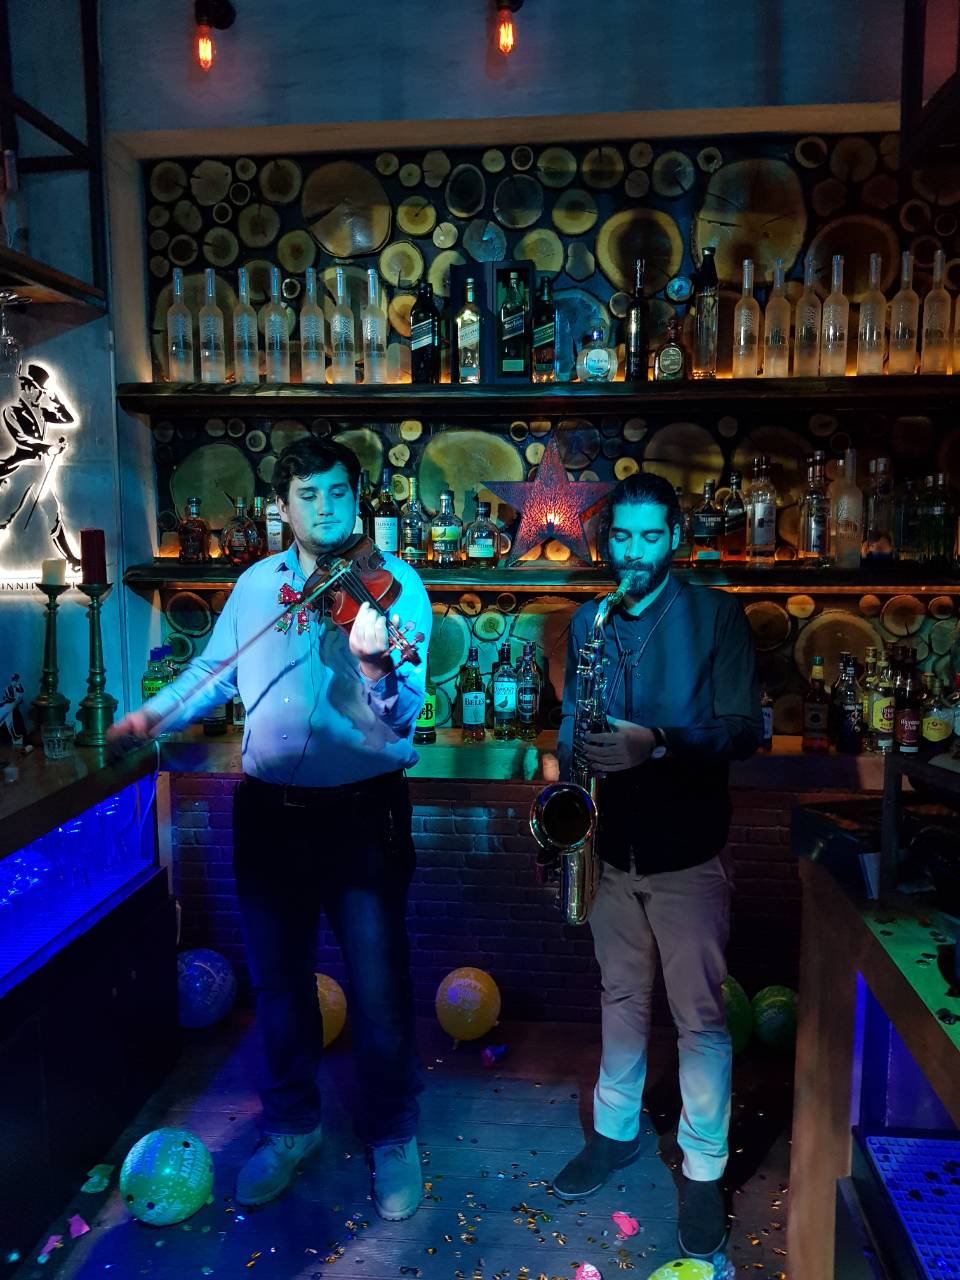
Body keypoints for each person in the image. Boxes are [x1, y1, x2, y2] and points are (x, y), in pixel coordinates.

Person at [107, 438, 432, 1221]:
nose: (326, 509)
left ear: (357, 497)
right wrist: (155, 716)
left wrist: (376, 666)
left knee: (379, 990)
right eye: (308, 496)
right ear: (282, 508)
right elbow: (212, 673)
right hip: (268, 816)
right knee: (280, 986)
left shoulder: (394, 587)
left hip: (363, 816)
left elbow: (406, 713)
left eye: (338, 493)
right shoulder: (257, 585)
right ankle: (292, 1126)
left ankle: (393, 1135)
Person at [549, 471, 761, 1260]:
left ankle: (704, 1171)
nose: (633, 553)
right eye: (622, 537)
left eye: (649, 537)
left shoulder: (717, 615)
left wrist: (659, 743)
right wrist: (569, 767)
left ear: (675, 539)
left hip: (687, 852)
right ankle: (616, 1133)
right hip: (608, 847)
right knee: (620, 995)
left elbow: (744, 730)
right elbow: (571, 721)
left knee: (700, 1017)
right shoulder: (590, 620)